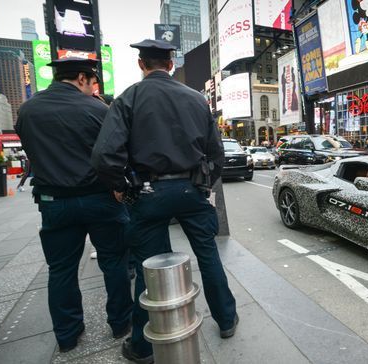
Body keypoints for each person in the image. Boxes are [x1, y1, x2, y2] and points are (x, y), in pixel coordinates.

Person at [91, 40, 237, 364]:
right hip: (192, 192)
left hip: (148, 192)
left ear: (142, 64)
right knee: (208, 254)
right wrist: (202, 184)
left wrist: (123, 187)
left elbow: (103, 155)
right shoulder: (197, 99)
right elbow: (216, 154)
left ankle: (143, 348)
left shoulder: (128, 98)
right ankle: (226, 320)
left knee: (149, 267)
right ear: (171, 65)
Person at [15, 58, 133, 352]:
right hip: (100, 198)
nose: (93, 87)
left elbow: (31, 150)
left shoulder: (28, 110)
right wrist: (119, 185)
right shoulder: (96, 109)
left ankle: (67, 335)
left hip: (54, 200)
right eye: (92, 81)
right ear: (82, 77)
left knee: (61, 270)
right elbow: (114, 153)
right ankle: (121, 323)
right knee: (114, 262)